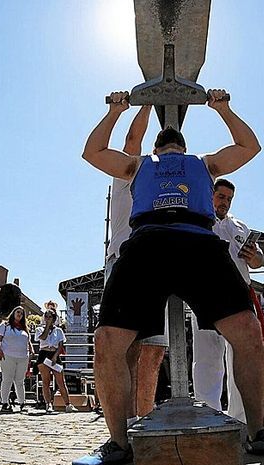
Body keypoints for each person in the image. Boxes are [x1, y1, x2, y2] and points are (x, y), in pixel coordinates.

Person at [74, 89, 264, 465]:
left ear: (180, 147)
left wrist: (222, 108)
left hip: (198, 241)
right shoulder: (139, 165)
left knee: (247, 330)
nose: (170, 151)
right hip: (146, 242)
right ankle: (117, 442)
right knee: (108, 339)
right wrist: (115, 111)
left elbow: (249, 147)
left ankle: (258, 433)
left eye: (173, 147)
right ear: (160, 149)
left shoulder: (204, 165)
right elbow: (93, 153)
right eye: (167, 148)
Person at [107, 105, 168, 422]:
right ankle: (126, 428)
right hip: (123, 258)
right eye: (157, 150)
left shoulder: (166, 184)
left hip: (153, 265)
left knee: (155, 350)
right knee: (127, 348)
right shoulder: (131, 170)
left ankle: (144, 422)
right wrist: (148, 100)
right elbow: (132, 139)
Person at [193, 178, 264, 420]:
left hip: (239, 296)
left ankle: (243, 420)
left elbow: (258, 260)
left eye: (229, 198)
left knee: (241, 357)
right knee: (207, 359)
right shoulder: (198, 220)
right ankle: (210, 419)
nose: (224, 202)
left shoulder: (239, 226)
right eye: (220, 196)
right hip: (205, 293)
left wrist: (255, 257)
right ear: (210, 195)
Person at [35, 309, 76, 414]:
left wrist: (55, 357)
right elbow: (42, 338)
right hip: (44, 354)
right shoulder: (39, 329)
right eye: (46, 317)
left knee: (61, 381)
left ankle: (68, 404)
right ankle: (48, 404)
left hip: (54, 354)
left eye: (50, 317)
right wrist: (47, 327)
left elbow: (61, 344)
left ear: (54, 318)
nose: (48, 319)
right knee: (46, 381)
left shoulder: (58, 331)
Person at [0, 307, 33, 412]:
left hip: (22, 357)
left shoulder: (24, 328)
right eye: (18, 312)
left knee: (20, 381)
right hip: (8, 355)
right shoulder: (5, 325)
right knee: (7, 379)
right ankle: (4, 403)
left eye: (21, 313)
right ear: (13, 313)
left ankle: (22, 403)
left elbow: (28, 341)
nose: (19, 314)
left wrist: (31, 351)